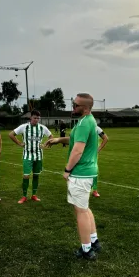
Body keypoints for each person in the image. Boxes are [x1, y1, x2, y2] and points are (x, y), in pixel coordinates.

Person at [45, 93, 101, 260]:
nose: (73, 107)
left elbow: (78, 150)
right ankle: (93, 241)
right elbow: (75, 139)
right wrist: (59, 139)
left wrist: (67, 170)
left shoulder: (84, 123)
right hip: (87, 172)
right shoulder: (87, 121)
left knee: (80, 211)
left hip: (81, 173)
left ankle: (86, 249)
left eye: (75, 105)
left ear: (84, 108)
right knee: (85, 208)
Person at [9, 110, 52, 204]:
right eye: (34, 118)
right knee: (26, 176)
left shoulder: (42, 128)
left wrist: (45, 144)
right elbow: (11, 134)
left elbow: (51, 137)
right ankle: (24, 196)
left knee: (36, 175)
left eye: (38, 118)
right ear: (30, 117)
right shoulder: (24, 127)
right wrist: (19, 143)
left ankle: (34, 195)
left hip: (38, 156)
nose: (36, 120)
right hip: (27, 155)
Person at [91, 126, 109, 198]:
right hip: (81, 152)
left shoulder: (96, 128)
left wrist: (99, 148)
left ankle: (94, 190)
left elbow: (105, 138)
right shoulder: (80, 127)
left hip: (92, 154)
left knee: (94, 171)